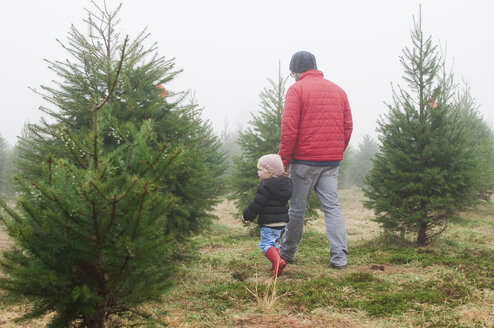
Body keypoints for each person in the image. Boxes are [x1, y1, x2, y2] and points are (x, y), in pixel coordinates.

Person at [278, 50, 353, 269]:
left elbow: (289, 129)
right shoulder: (338, 90)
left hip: (304, 161)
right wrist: (337, 150)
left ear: (295, 71)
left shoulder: (296, 90)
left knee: (296, 209)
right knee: (332, 208)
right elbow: (347, 126)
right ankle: (339, 257)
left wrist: (284, 161)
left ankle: (287, 253)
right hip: (331, 162)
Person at [243, 154, 293, 277]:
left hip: (269, 222)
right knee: (273, 243)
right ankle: (276, 266)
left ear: (270, 172)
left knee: (265, 244)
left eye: (260, 170)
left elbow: (256, 204)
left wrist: (246, 216)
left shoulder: (265, 186)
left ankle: (278, 261)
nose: (258, 173)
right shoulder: (286, 184)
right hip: (282, 222)